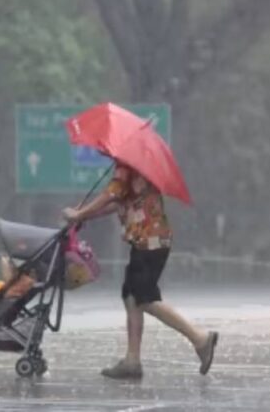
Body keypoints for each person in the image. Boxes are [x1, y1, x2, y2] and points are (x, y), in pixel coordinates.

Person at [62, 162, 218, 379]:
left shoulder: (126, 166)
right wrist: (85, 214)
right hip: (146, 241)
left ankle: (200, 339)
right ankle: (132, 360)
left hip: (150, 241)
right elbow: (117, 203)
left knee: (144, 297)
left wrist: (80, 214)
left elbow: (110, 195)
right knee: (131, 295)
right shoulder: (131, 167)